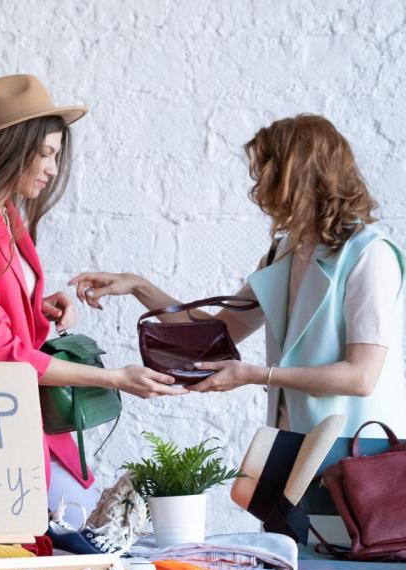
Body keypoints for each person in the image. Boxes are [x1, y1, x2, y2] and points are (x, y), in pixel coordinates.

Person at [0, 74, 183, 526]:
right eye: (47, 154)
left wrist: (36, 307)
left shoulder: (5, 214)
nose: (53, 169)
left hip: (9, 413)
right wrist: (113, 378)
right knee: (65, 535)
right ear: (11, 149)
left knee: (81, 529)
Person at [70, 114, 405, 438]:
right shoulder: (284, 253)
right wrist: (138, 286)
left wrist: (255, 375)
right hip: (294, 440)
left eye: (266, 175)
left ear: (296, 177)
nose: (258, 188)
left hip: (354, 448)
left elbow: (361, 376)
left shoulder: (369, 255)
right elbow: (218, 333)